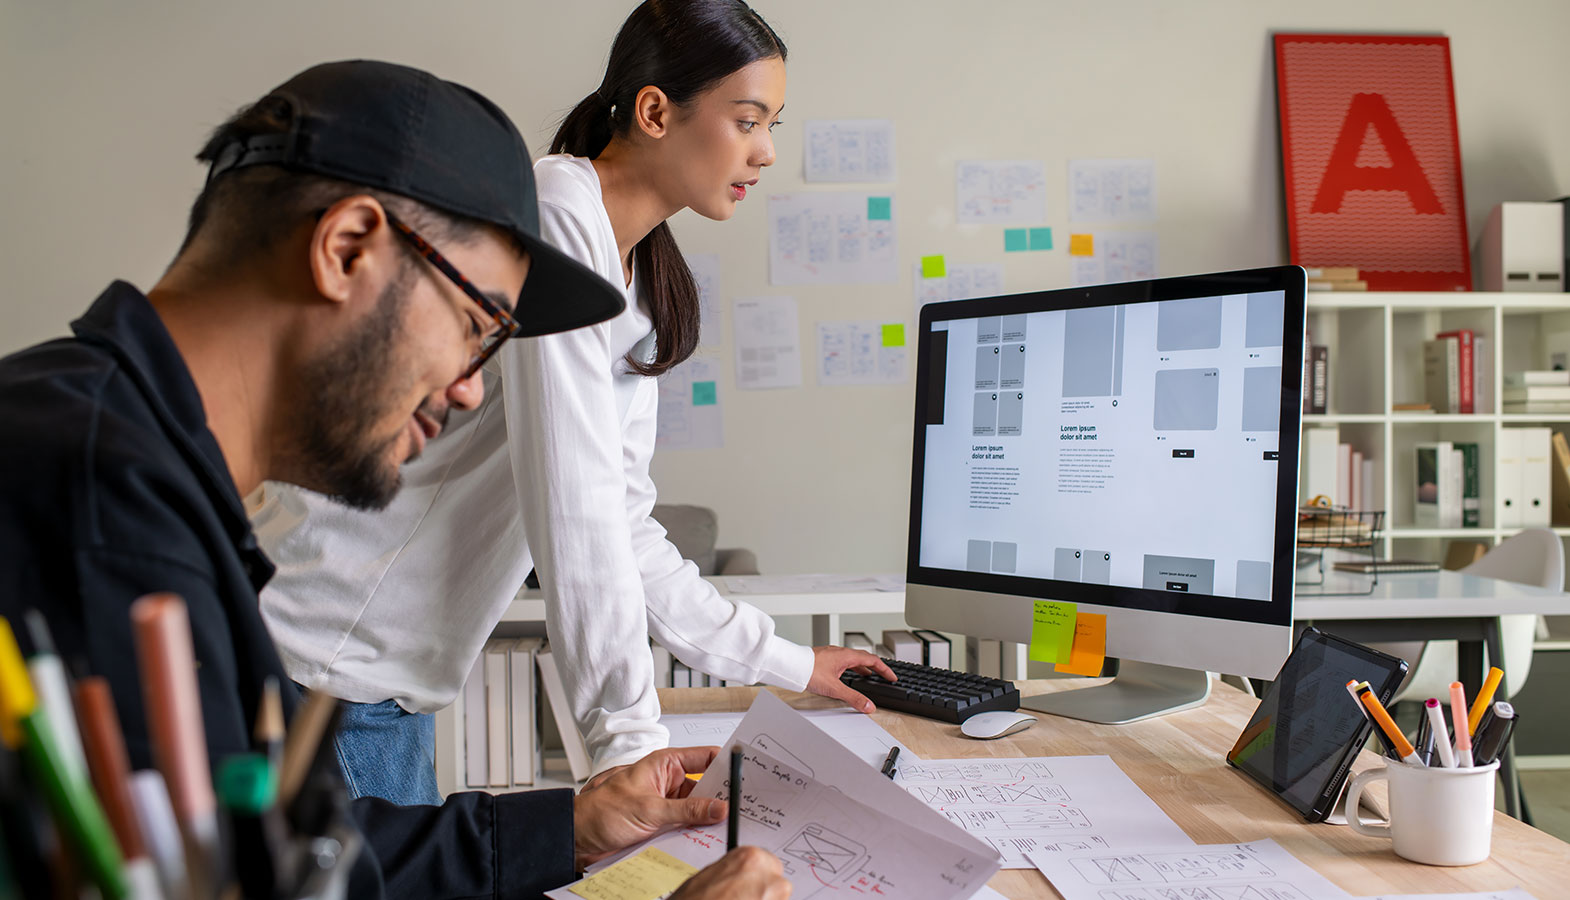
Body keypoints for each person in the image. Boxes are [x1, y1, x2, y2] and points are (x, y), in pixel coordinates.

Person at [0, 59, 787, 899]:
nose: (470, 388)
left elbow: (272, 853)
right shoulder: (98, 506)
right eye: (476, 327)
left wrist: (565, 830)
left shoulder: (137, 459)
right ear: (347, 249)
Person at [254, 0, 895, 806]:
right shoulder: (557, 214)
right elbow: (575, 504)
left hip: (378, 681)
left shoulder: (642, 273)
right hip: (328, 665)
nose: (766, 152)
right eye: (748, 120)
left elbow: (623, 520)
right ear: (657, 111)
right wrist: (627, 744)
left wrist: (794, 664)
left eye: (774, 123)